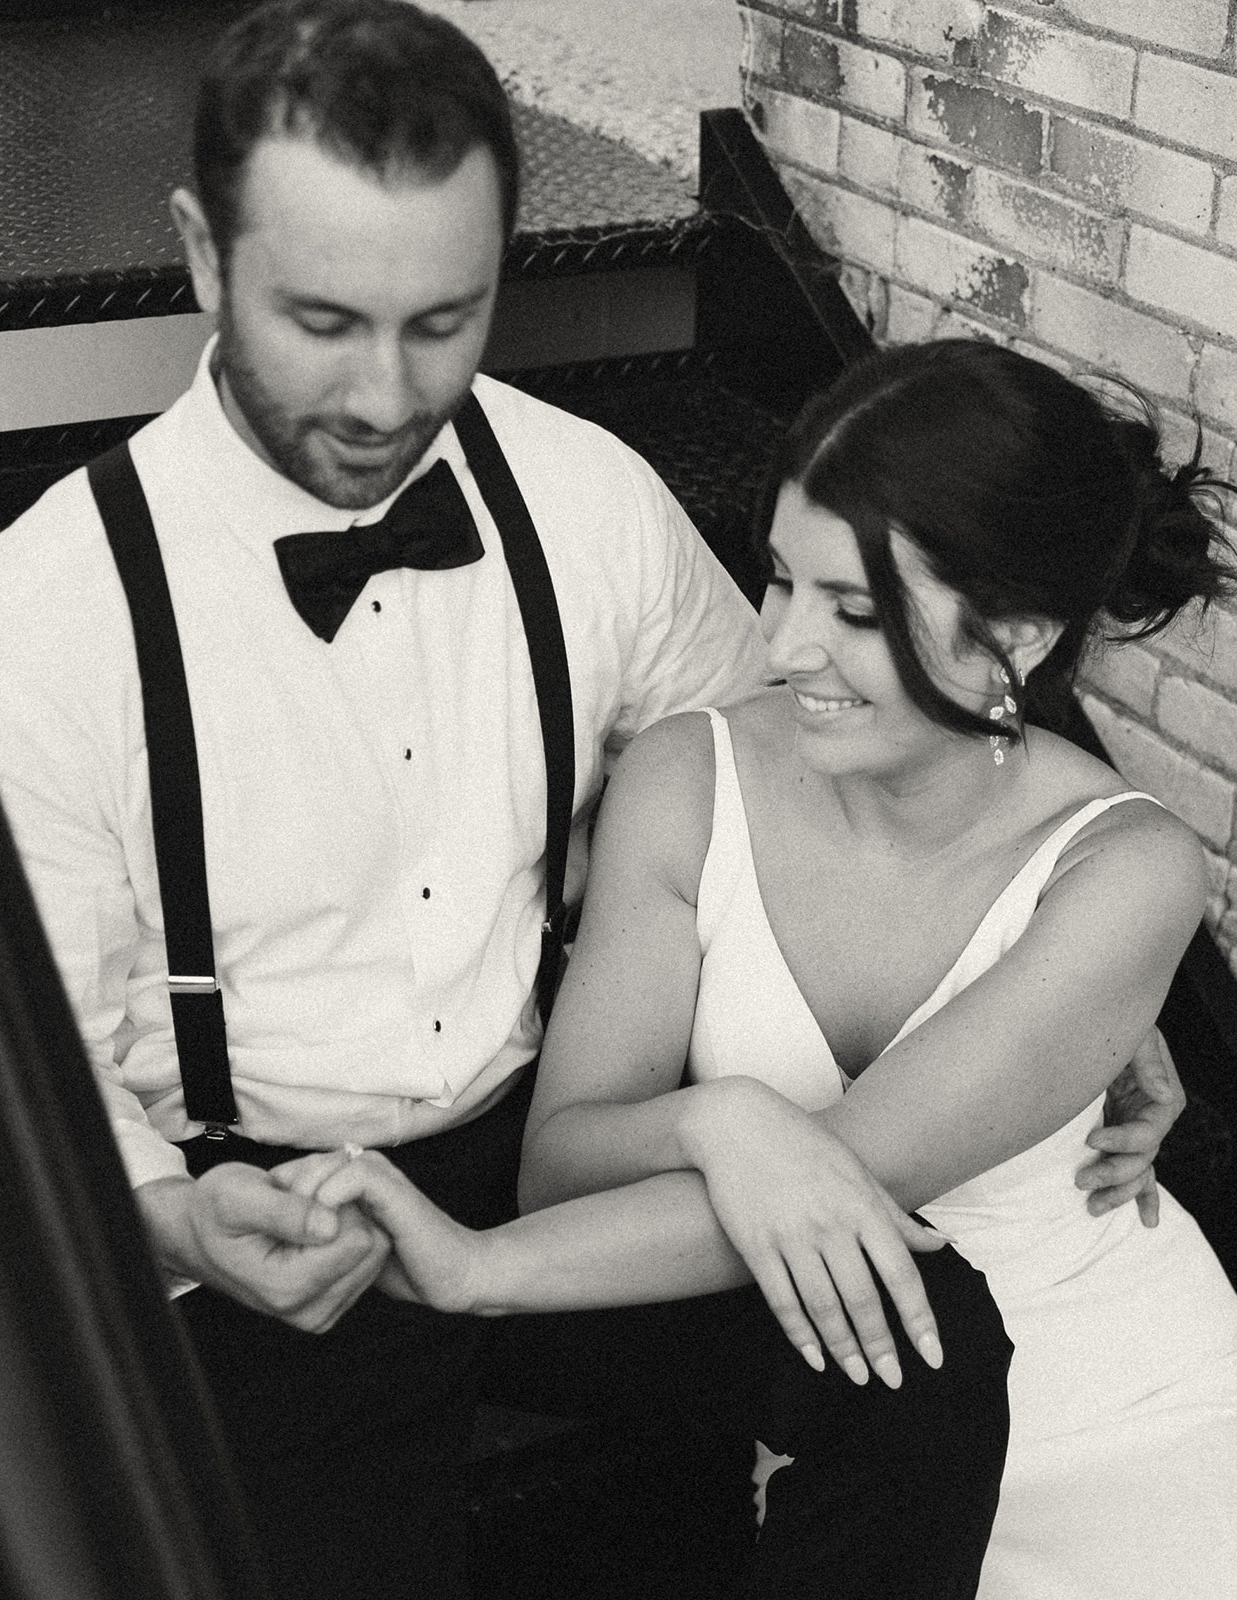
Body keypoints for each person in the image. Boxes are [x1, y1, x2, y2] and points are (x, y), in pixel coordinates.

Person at [0, 4, 1167, 1593]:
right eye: (324, 320)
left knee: (922, 1370)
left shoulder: (580, 498)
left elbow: (791, 747)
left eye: (445, 321)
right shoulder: (39, 620)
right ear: (198, 254)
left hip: (547, 1138)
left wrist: (1081, 1004)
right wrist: (171, 1219)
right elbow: (16, 1052)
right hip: (251, 1217)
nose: (387, 396)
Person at [452, 337, 1233, 1599]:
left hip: (1123, 1416)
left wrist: (471, 1274)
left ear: (1016, 639)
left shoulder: (1125, 869)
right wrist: (724, 1115)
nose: (783, 646)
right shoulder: (689, 777)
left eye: (855, 613)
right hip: (861, 1413)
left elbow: (840, 1183)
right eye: (778, 581)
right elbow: (561, 1163)